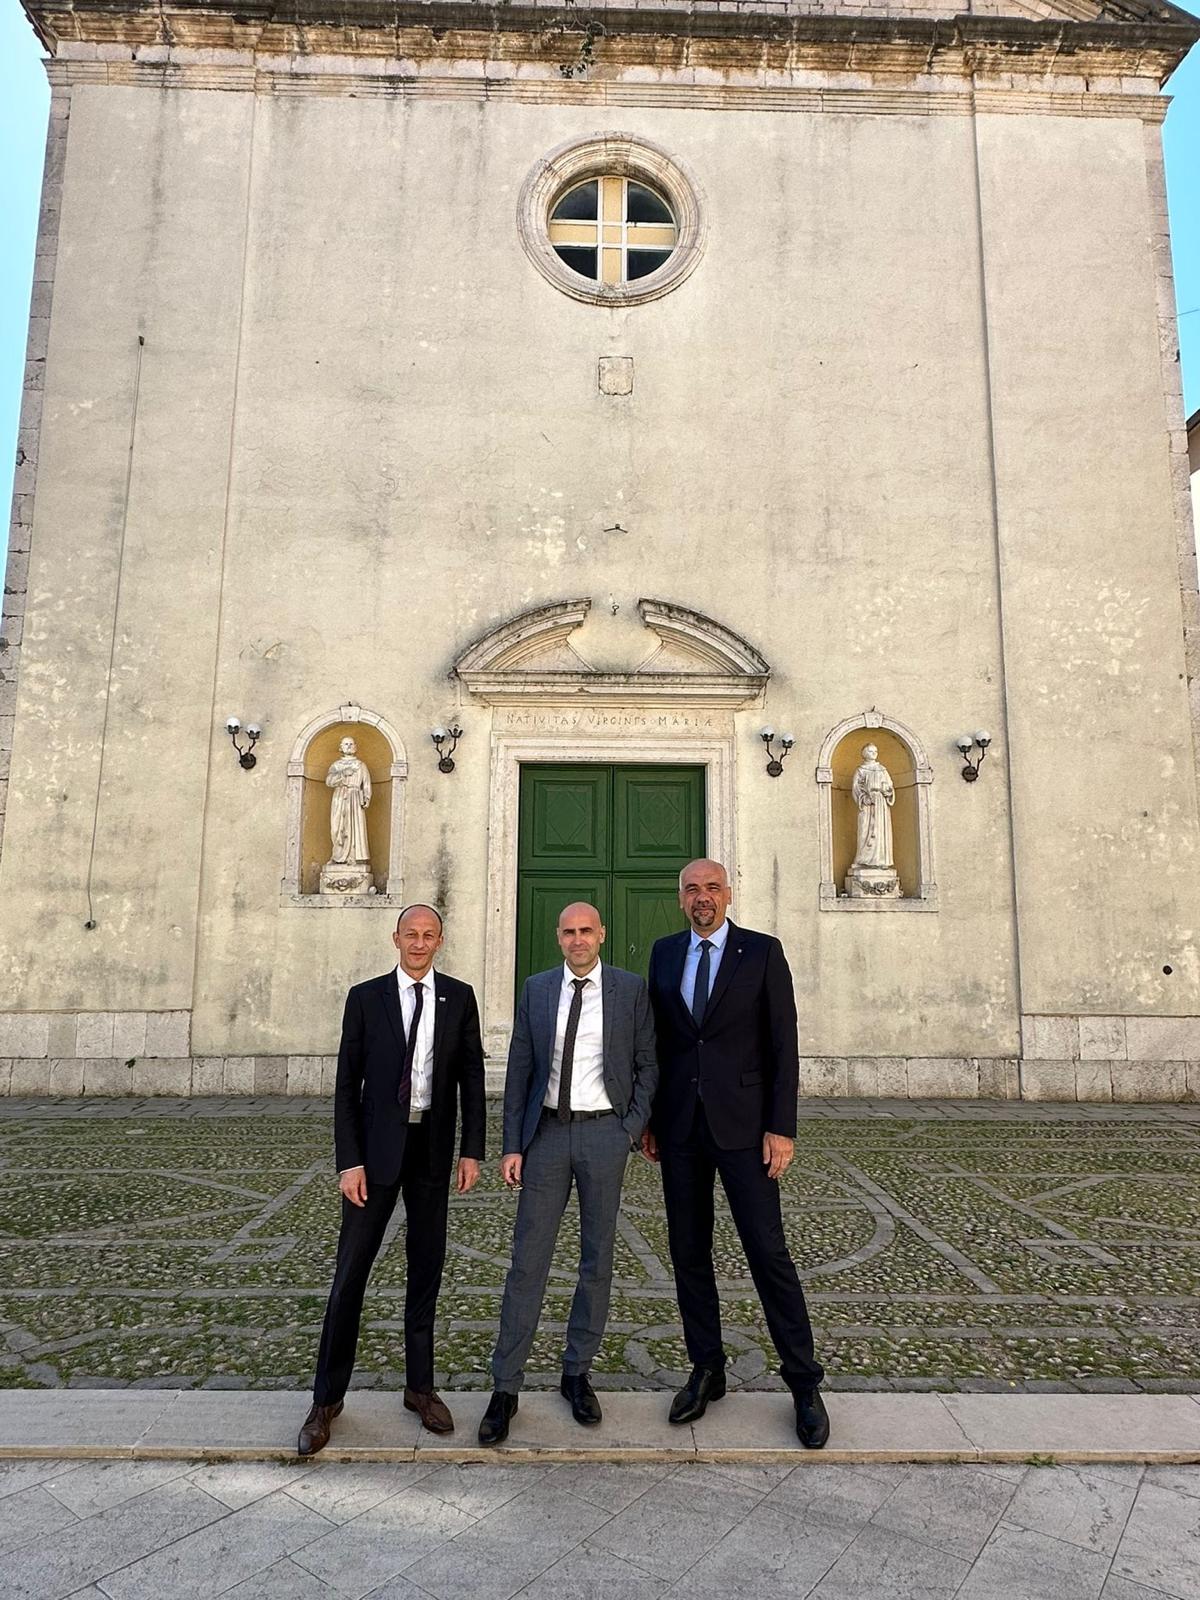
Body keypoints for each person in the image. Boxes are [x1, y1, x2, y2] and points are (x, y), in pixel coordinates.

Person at [644, 860, 828, 1448]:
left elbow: (783, 1043)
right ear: (681, 899)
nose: (703, 897)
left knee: (768, 1253)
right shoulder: (664, 954)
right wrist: (650, 1120)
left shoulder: (762, 952)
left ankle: (804, 1384)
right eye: (692, 889)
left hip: (747, 1130)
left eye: (712, 888)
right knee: (688, 1252)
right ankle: (707, 1368)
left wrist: (781, 1127)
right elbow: (659, 1043)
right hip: (680, 1128)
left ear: (729, 894)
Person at [298, 903, 486, 1455]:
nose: (419, 943)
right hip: (374, 1155)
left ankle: (420, 1389)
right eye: (411, 934)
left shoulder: (460, 998)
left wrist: (471, 1151)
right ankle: (326, 1399)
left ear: (440, 941)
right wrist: (348, 1161)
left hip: (431, 1149)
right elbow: (346, 1085)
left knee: (426, 1270)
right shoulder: (365, 998)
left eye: (429, 935)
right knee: (350, 1274)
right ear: (395, 938)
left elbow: (472, 1079)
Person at [478, 902, 658, 1445]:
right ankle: (505, 1386)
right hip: (547, 1137)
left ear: (602, 934)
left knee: (596, 1261)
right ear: (558, 938)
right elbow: (520, 1069)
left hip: (605, 1134)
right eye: (568, 932)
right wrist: (512, 1145)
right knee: (526, 1262)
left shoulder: (630, 989)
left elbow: (649, 1064)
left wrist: (629, 1129)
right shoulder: (536, 989)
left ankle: (577, 1373)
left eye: (586, 931)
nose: (578, 940)